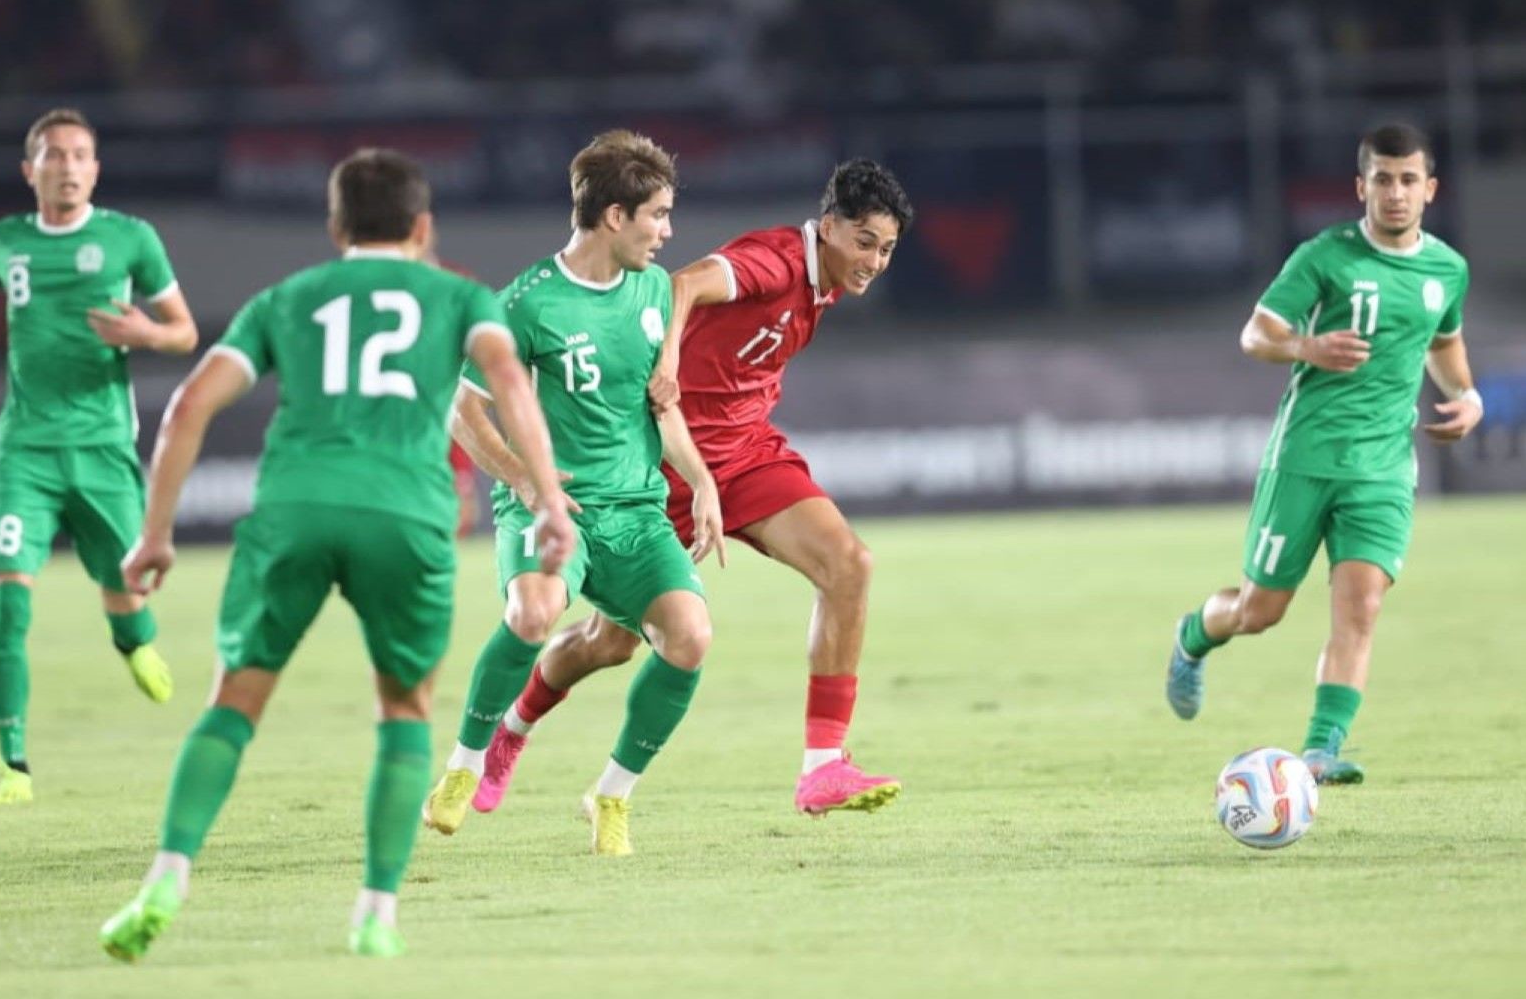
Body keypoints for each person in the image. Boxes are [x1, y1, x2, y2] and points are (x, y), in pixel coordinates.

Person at [98, 148, 573, 961]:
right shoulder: (460, 297)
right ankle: (376, 911)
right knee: (404, 713)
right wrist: (550, 499)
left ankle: (166, 879)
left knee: (232, 704)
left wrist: (154, 534)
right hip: (406, 516)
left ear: (334, 227)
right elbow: (512, 389)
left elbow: (187, 407)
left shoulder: (289, 297)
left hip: (296, 508)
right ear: (423, 228)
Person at [468, 159, 915, 817]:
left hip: (744, 457)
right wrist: (668, 355)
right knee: (608, 644)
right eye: (865, 242)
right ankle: (512, 730)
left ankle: (823, 766)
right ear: (827, 229)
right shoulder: (778, 260)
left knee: (849, 564)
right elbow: (686, 283)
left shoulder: (826, 283)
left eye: (887, 249)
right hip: (667, 468)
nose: (875, 261)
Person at [422, 130, 724, 856]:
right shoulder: (525, 304)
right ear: (614, 216)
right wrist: (525, 478)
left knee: (689, 638)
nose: (668, 231)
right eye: (657, 214)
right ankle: (464, 765)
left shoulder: (654, 293)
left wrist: (703, 481)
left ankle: (611, 795)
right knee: (535, 610)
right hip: (550, 506)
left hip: (635, 509)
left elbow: (662, 406)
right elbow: (462, 409)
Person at [1165, 123, 1484, 784]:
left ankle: (1320, 750)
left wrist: (1469, 396)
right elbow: (1258, 333)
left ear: (1429, 189)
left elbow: (1443, 340)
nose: (1395, 193)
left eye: (1407, 180)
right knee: (1261, 612)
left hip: (1384, 469)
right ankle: (1194, 633)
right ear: (1361, 185)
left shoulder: (1447, 269)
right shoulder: (1324, 256)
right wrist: (1307, 347)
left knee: (1361, 604)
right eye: (1382, 179)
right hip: (1305, 458)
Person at [0, 108, 199, 804]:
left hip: (104, 449)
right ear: (31, 170)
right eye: (55, 155)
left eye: (81, 155)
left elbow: (184, 333)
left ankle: (132, 640)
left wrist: (142, 331)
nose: (69, 166)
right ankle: (12, 764)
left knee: (129, 592)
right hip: (24, 451)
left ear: (96, 169)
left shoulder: (130, 239)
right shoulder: (2, 241)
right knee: (10, 604)